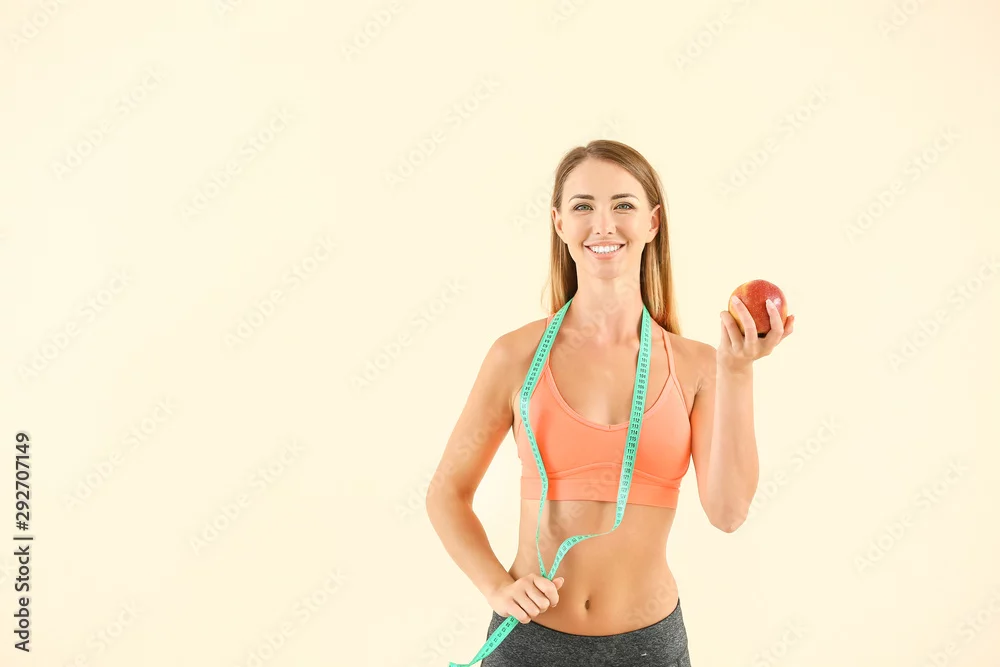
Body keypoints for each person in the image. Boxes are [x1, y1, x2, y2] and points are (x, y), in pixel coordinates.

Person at [425, 139, 795, 666]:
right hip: (529, 641)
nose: (603, 225)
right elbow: (446, 493)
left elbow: (728, 512)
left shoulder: (697, 366)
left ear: (652, 222)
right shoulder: (515, 356)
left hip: (649, 648)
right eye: (583, 206)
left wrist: (736, 372)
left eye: (623, 204)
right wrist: (496, 587)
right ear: (558, 223)